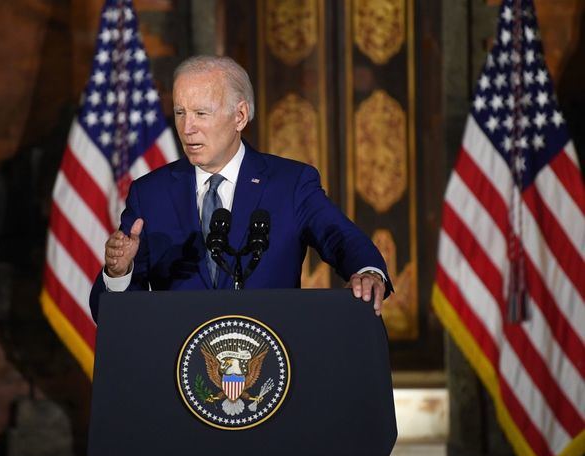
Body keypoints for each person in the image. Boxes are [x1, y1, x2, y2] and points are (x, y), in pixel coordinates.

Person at [89, 55, 393, 321]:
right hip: (182, 366)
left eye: (201, 114)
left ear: (240, 116)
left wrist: (368, 271)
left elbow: (339, 237)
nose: (187, 128)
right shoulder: (150, 194)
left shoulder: (290, 184)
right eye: (180, 112)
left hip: (272, 363)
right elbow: (112, 314)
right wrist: (118, 273)